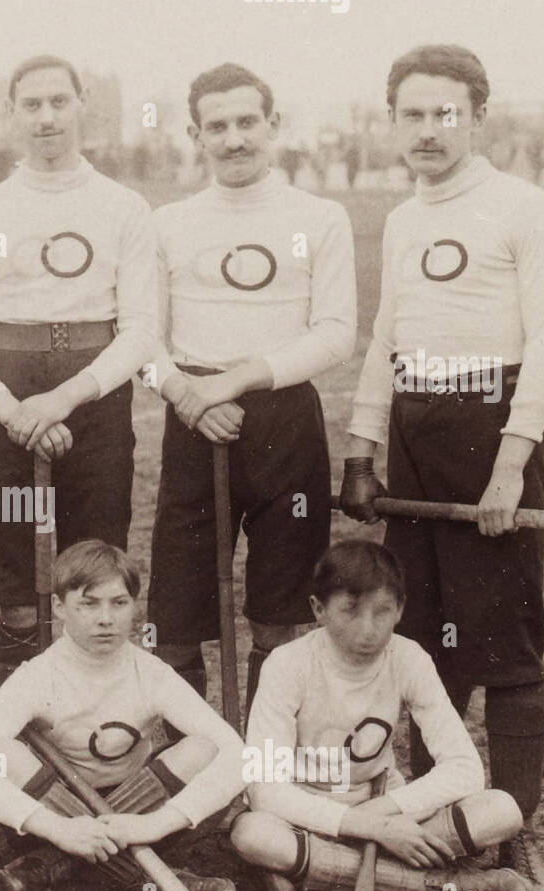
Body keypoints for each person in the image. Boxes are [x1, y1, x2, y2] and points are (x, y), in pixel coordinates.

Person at [339, 44, 544, 891]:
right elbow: (385, 343)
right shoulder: (402, 218)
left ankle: (513, 825)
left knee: (503, 642)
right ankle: (451, 817)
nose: (428, 130)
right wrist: (363, 449)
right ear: (392, 120)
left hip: (492, 436)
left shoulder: (525, 205)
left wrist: (511, 463)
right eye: (413, 114)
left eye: (446, 114)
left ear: (477, 116)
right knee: (429, 639)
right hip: (416, 437)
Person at [147, 63, 356, 721]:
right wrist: (184, 392)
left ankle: (269, 753)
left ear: (272, 124)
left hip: (283, 420)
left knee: (280, 608)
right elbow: (139, 342)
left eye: (246, 122)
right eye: (217, 126)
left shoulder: (319, 216)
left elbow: (335, 334)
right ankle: (191, 759)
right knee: (175, 613)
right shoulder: (168, 222)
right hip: (192, 418)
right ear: (195, 134)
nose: (233, 139)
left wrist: (235, 379)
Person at [0, 55, 158, 681]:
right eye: (32, 105)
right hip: (5, 408)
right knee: (15, 571)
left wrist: (63, 399)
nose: (46, 118)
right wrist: (11, 409)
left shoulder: (124, 206)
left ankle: (94, 710)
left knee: (95, 568)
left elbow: (141, 331)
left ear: (82, 103)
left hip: (94, 401)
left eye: (58, 102)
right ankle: (20, 718)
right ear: (12, 113)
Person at [232, 541, 533, 891]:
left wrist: (383, 817)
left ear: (400, 609)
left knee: (502, 810)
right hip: (305, 816)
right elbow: (264, 790)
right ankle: (460, 888)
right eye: (351, 612)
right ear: (318, 609)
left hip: (384, 809)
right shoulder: (287, 664)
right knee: (253, 834)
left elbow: (465, 768)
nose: (368, 630)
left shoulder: (408, 658)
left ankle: (320, 871)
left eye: (382, 612)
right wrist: (369, 829)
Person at [0, 540, 245, 891]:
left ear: (133, 606)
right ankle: (149, 877)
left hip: (138, 819)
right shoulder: (36, 677)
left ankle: (47, 866)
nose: (105, 618)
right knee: (2, 754)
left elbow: (239, 755)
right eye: (89, 603)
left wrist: (154, 825)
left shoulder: (152, 674)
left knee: (204, 749)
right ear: (59, 607)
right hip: (53, 818)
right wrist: (59, 830)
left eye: (118, 603)